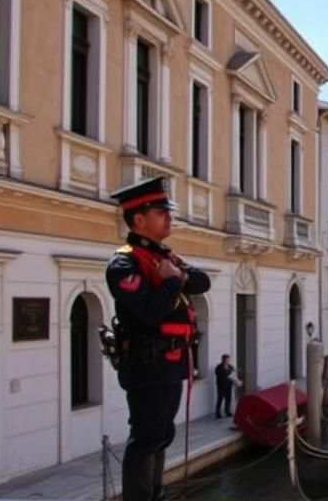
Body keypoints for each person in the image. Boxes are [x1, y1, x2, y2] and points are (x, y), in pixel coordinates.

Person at [106, 177, 210, 501]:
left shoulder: (164, 257)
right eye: (161, 212)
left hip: (173, 363)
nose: (169, 217)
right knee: (146, 437)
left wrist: (177, 276)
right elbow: (150, 310)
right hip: (146, 364)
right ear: (139, 219)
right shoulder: (123, 263)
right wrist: (174, 283)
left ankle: (156, 494)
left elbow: (202, 281)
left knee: (163, 435)